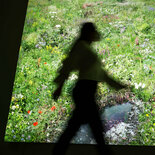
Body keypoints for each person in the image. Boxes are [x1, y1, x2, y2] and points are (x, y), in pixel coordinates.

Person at [52, 22, 128, 155]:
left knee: (77, 128)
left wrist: (118, 85)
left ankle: (58, 152)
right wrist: (59, 88)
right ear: (88, 33)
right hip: (84, 91)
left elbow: (101, 74)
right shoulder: (81, 47)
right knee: (94, 129)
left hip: (86, 91)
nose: (95, 34)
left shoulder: (86, 48)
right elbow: (68, 66)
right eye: (93, 31)